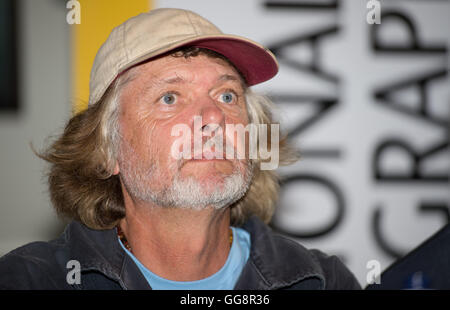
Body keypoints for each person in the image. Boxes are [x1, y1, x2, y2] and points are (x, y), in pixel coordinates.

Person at [0, 8, 361, 290]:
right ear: (106, 150)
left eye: (227, 95)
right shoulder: (28, 280)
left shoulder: (321, 281)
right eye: (170, 97)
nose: (213, 117)